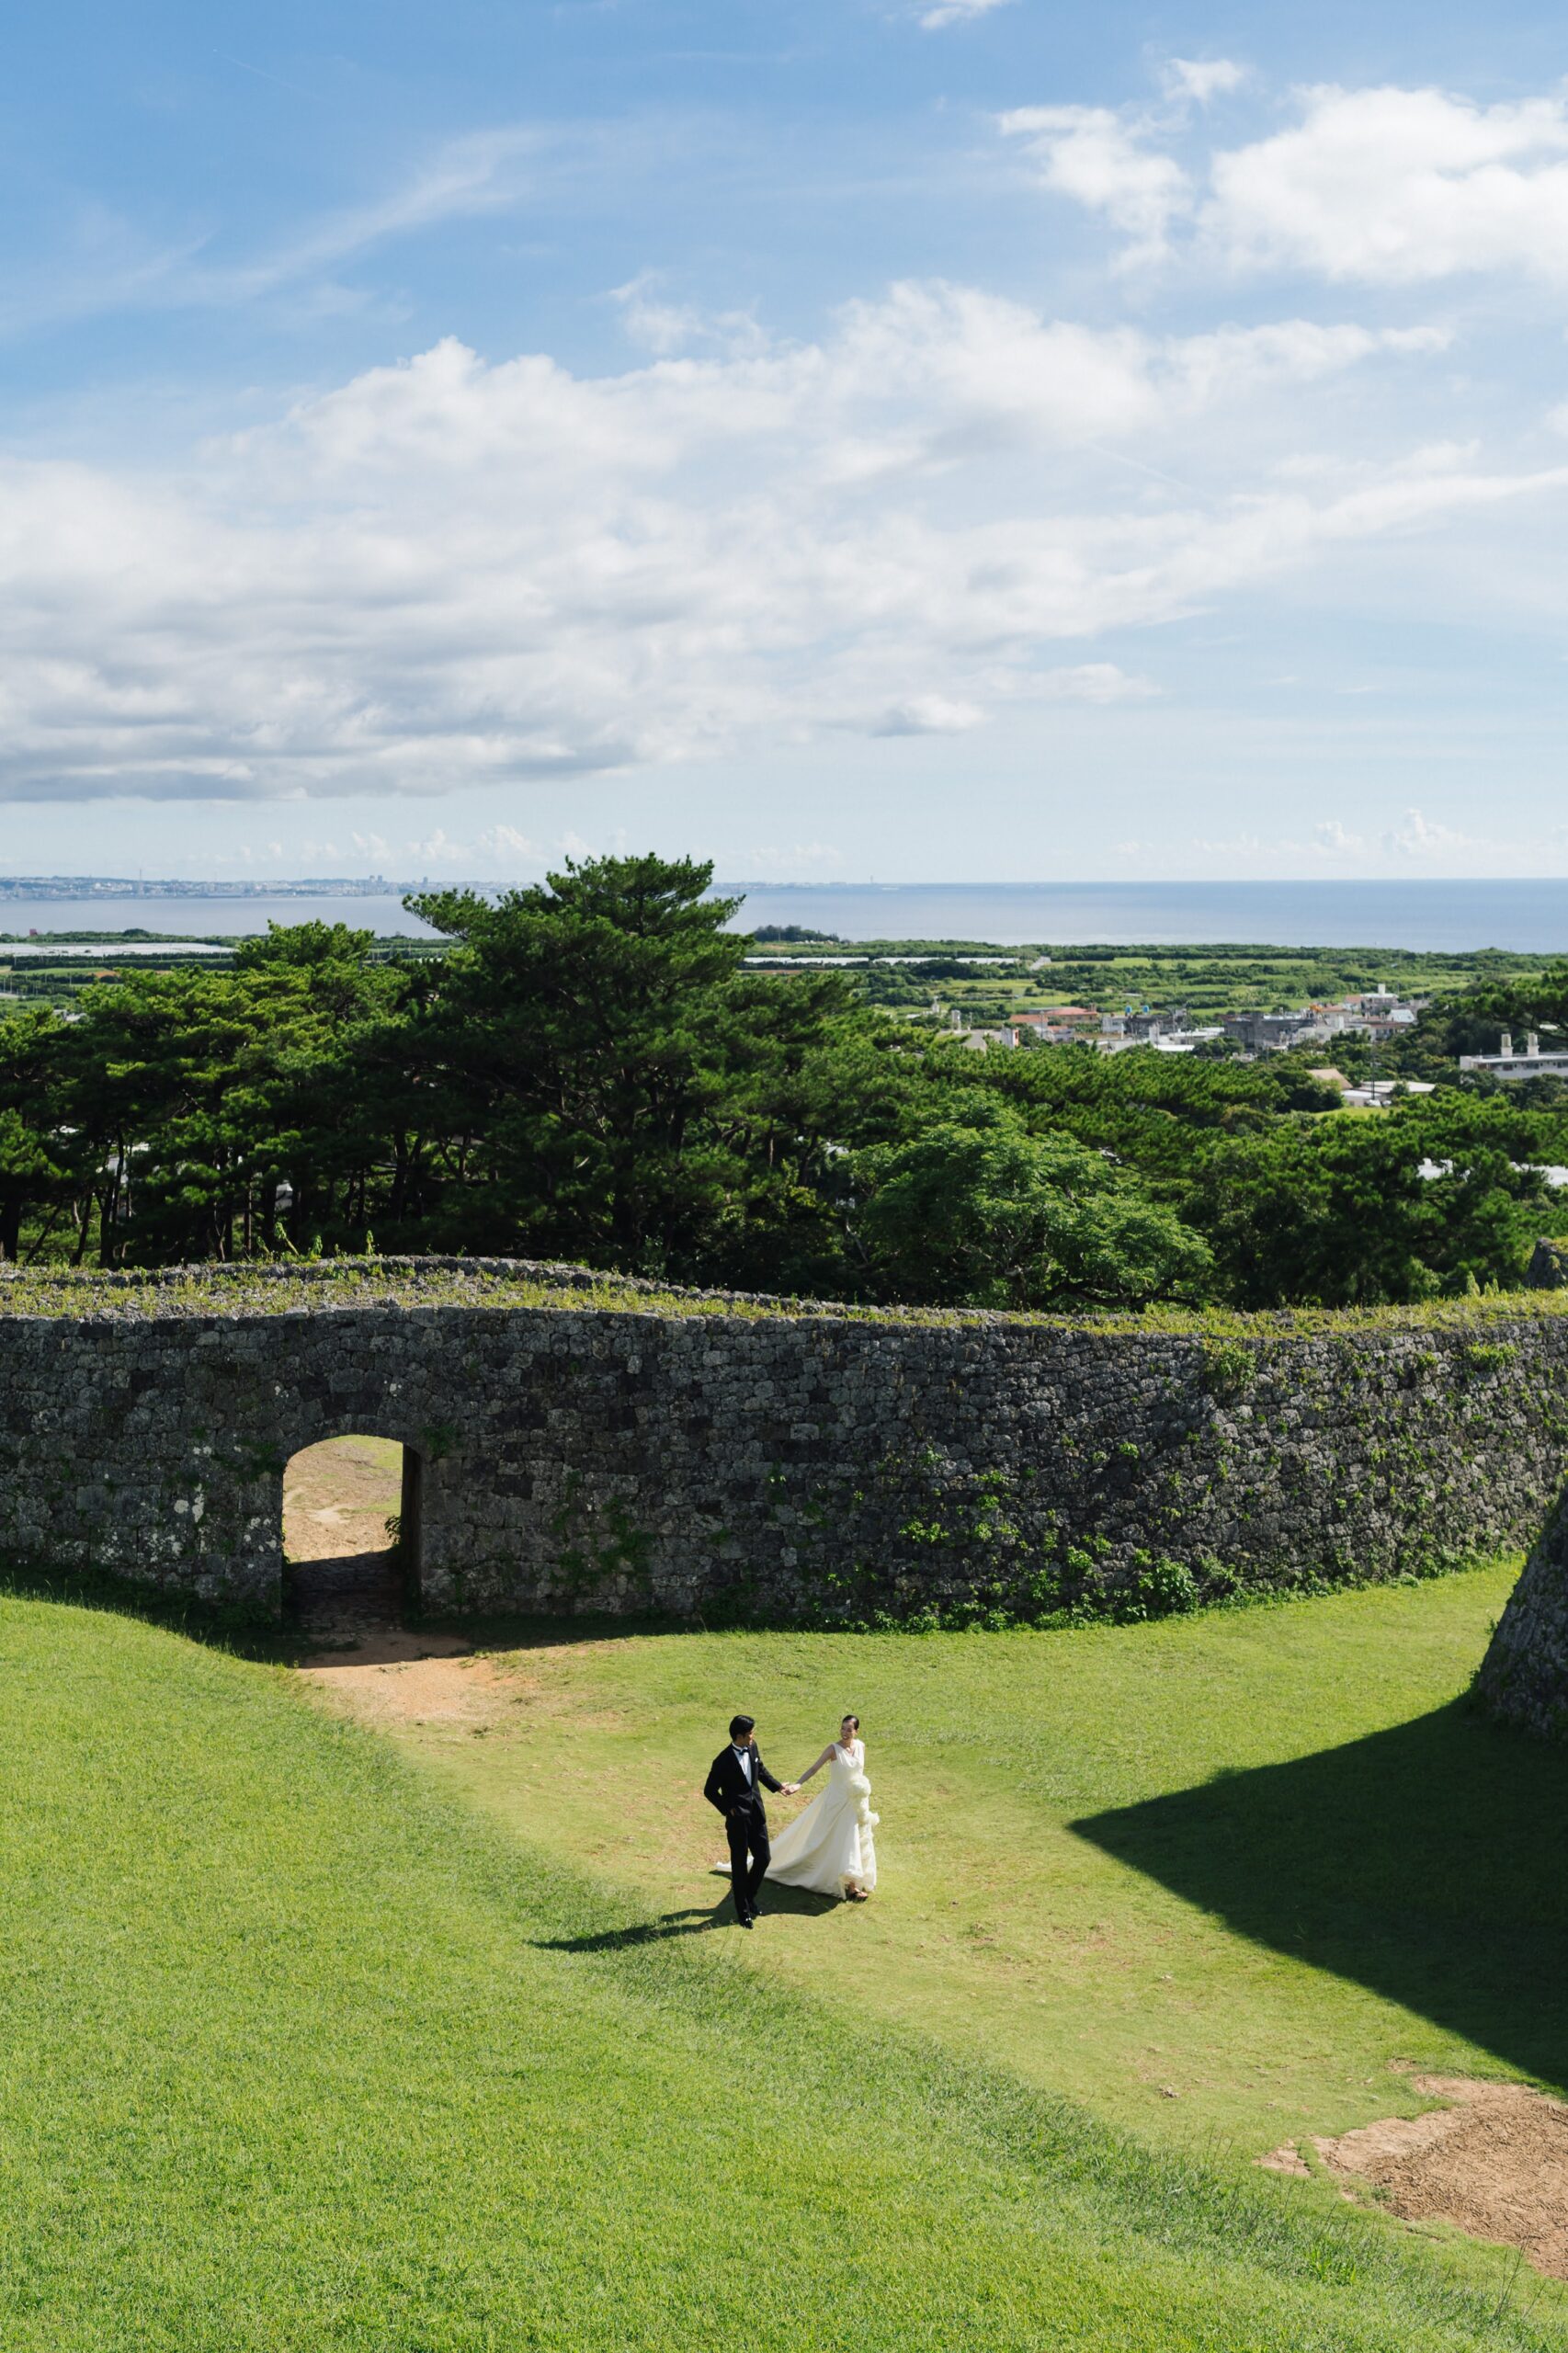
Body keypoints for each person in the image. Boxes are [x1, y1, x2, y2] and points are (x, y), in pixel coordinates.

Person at [765, 1714, 878, 1902]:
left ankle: (854, 1881)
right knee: (838, 1839)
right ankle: (851, 1887)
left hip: (856, 1802)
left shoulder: (861, 1746)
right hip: (836, 1801)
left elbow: (858, 1773)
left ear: (856, 1731)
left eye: (849, 1729)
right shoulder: (833, 1749)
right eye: (842, 1728)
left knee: (855, 1839)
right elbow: (813, 1769)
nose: (844, 1732)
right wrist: (798, 1784)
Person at [703, 1714, 798, 1927]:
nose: (753, 1737)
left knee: (764, 1857)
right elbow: (709, 1791)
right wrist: (729, 1809)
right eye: (750, 1734)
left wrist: (778, 1787)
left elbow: (760, 1770)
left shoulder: (752, 1748)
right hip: (737, 1820)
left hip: (757, 1813)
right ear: (739, 1736)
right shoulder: (722, 1761)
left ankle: (749, 1896)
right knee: (739, 1865)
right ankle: (742, 1911)